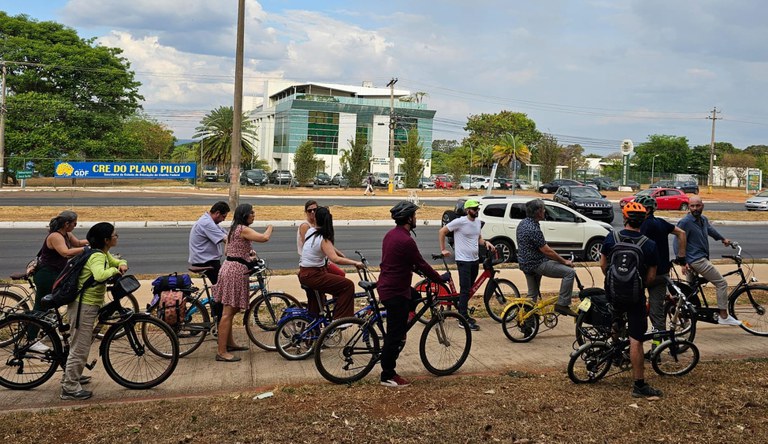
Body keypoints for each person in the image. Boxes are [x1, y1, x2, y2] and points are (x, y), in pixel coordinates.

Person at [378, 201, 445, 387]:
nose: (416, 218)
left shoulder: (390, 235)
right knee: (394, 335)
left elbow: (410, 263)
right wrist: (439, 279)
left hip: (389, 285)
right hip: (395, 292)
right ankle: (388, 375)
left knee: (415, 296)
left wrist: (419, 271)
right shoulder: (407, 240)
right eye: (414, 216)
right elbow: (420, 263)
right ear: (408, 218)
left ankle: (406, 320)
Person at [61, 222, 128, 400]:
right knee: (80, 347)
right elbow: (99, 275)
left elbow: (117, 260)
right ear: (106, 240)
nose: (117, 237)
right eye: (115, 235)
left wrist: (121, 264)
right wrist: (114, 270)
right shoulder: (97, 257)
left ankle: (72, 375)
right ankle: (69, 388)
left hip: (89, 304)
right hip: (83, 306)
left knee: (81, 344)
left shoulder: (101, 253)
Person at [600, 202, 661, 398]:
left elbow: (603, 264)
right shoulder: (649, 244)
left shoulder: (612, 237)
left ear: (625, 218)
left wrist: (613, 281)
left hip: (613, 293)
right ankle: (639, 385)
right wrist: (639, 285)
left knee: (615, 319)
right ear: (643, 220)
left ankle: (615, 352)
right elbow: (651, 277)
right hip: (635, 297)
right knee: (637, 339)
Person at [213, 203, 273, 362]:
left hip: (230, 269)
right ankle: (221, 352)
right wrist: (270, 227)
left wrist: (248, 253)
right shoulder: (243, 229)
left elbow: (228, 251)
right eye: (251, 213)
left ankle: (230, 343)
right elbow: (264, 238)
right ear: (244, 215)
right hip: (234, 273)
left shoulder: (234, 229)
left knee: (231, 312)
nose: (254, 215)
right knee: (227, 313)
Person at [29, 211, 89, 352]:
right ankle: (31, 340)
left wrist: (94, 241)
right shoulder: (55, 236)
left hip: (55, 274)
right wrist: (87, 250)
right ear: (66, 224)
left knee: (50, 304)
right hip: (46, 275)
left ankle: (48, 332)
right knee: (40, 307)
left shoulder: (66, 234)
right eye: (74, 223)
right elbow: (65, 252)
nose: (76, 225)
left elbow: (78, 243)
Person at [675, 195, 739, 325]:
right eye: (692, 206)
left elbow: (710, 230)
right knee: (721, 283)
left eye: (698, 205)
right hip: (696, 260)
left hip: (697, 258)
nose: (695, 208)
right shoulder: (685, 222)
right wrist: (682, 262)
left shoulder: (703, 219)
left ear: (702, 206)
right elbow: (677, 242)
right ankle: (723, 315)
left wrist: (723, 239)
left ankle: (685, 316)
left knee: (690, 290)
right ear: (689, 207)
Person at [635, 194, 687, 340]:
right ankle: (656, 350)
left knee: (633, 310)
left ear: (647, 210)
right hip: (661, 274)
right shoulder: (661, 223)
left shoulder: (643, 226)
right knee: (657, 316)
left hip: (645, 274)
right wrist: (681, 257)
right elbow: (681, 233)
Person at [438, 199, 495, 330]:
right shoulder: (460, 222)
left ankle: (462, 309)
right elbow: (442, 232)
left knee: (469, 289)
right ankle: (462, 318)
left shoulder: (477, 223)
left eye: (477, 209)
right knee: (465, 289)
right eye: (474, 209)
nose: (477, 211)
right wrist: (443, 249)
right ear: (467, 210)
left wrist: (486, 243)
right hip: (463, 261)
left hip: (474, 260)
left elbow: (478, 238)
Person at [515, 199, 578, 317]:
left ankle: (527, 324)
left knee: (532, 296)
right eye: (543, 209)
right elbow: (547, 251)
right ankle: (562, 304)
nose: (545, 211)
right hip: (537, 264)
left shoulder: (523, 223)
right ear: (538, 212)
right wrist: (564, 261)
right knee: (569, 273)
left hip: (525, 263)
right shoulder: (533, 229)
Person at [298, 207, 363, 320]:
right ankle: (341, 320)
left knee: (317, 307)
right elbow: (335, 259)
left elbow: (329, 249)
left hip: (304, 273)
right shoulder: (323, 238)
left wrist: (339, 253)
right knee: (347, 286)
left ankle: (314, 332)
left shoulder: (311, 231)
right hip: (314, 275)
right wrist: (355, 263)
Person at [188, 201, 230, 326]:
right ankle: (219, 322)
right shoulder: (207, 223)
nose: (223, 220)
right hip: (206, 261)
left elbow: (226, 234)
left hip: (207, 260)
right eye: (223, 217)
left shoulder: (210, 221)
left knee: (221, 286)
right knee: (223, 289)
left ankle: (217, 317)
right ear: (217, 213)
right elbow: (226, 240)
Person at [297, 200, 345, 277]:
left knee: (340, 274)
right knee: (340, 277)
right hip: (313, 263)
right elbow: (309, 245)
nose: (312, 212)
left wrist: (339, 254)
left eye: (315, 210)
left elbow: (325, 244)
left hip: (320, 260)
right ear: (306, 212)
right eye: (309, 210)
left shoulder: (317, 225)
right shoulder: (306, 226)